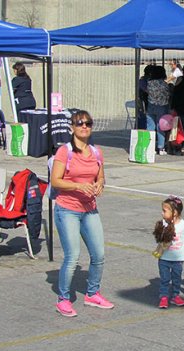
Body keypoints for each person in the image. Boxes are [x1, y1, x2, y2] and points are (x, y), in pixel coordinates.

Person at [50, 110, 113, 317]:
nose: (84, 126)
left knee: (99, 255)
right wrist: (78, 187)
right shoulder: (64, 151)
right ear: (72, 128)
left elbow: (100, 176)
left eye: (88, 123)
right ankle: (63, 298)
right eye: (79, 123)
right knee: (72, 256)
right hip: (67, 208)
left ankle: (92, 293)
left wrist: (99, 185)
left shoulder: (96, 152)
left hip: (89, 209)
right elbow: (56, 181)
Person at [153, 196, 184, 309]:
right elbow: (158, 237)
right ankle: (164, 297)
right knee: (165, 278)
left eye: (164, 210)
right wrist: (161, 232)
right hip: (164, 258)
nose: (162, 213)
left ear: (175, 212)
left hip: (178, 259)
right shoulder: (163, 223)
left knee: (177, 278)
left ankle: (175, 295)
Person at [145, 65, 170, 155]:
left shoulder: (149, 83)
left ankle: (149, 147)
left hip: (151, 106)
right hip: (162, 106)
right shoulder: (164, 84)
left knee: (150, 127)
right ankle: (161, 147)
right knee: (161, 127)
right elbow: (168, 95)